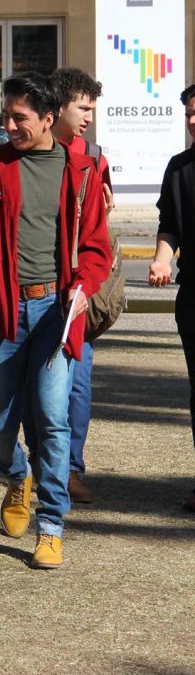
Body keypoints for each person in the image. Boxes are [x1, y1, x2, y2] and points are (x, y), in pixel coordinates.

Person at [0, 73, 111, 569]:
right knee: (0, 422)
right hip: (0, 310)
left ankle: (50, 527)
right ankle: (15, 473)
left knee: (52, 418)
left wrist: (83, 286)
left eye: (19, 118)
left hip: (55, 314)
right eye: (6, 115)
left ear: (48, 119)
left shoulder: (81, 172)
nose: (9, 125)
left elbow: (96, 248)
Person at [24, 67, 115, 504]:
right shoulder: (21, 152)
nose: (88, 117)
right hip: (32, 294)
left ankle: (69, 467)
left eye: (92, 108)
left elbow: (98, 227)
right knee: (31, 387)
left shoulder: (94, 157)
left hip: (73, 297)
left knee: (77, 382)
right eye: (83, 107)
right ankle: (37, 461)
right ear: (54, 109)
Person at [148, 83, 195, 512]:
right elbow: (170, 225)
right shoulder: (179, 167)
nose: (194, 121)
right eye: (189, 114)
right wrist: (163, 259)